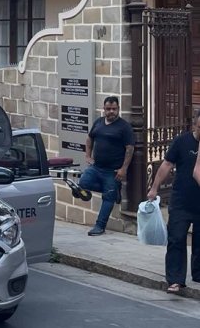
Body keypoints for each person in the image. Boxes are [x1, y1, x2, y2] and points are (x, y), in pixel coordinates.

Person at [148, 111, 200, 293]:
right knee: (176, 238)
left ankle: (198, 274)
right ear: (194, 125)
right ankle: (175, 279)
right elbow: (166, 165)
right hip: (181, 200)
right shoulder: (181, 142)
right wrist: (154, 188)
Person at [80, 96, 135, 236]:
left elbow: (130, 148)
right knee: (83, 182)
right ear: (104, 109)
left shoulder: (124, 127)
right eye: (108, 109)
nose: (111, 112)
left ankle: (100, 226)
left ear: (118, 109)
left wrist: (124, 169)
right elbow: (90, 138)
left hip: (113, 170)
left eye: (114, 109)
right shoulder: (98, 122)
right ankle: (113, 190)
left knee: (108, 197)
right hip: (96, 167)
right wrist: (88, 156)